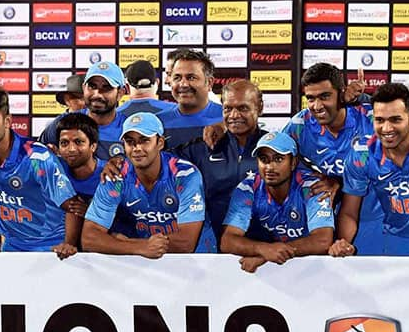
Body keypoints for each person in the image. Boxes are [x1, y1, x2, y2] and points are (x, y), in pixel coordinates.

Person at [82, 112, 217, 257]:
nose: (137, 148)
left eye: (144, 140)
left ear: (160, 143)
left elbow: (186, 242)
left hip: (198, 260)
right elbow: (89, 238)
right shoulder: (115, 175)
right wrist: (140, 247)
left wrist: (128, 244)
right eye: (130, 141)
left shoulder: (184, 174)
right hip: (144, 259)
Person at [282, 63, 384, 255]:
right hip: (325, 224)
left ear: (342, 94)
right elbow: (276, 159)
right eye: (310, 98)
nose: (317, 106)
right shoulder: (299, 126)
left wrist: (338, 181)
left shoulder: (371, 118)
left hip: (377, 221)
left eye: (325, 96)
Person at [0, 87, 79, 258]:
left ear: (7, 121)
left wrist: (69, 245)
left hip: (51, 249)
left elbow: (73, 207)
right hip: (12, 248)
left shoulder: (37, 158)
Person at [332, 83, 409, 257]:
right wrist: (344, 243)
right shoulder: (362, 154)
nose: (387, 129)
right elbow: (349, 212)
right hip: (394, 244)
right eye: (380, 120)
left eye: (396, 119)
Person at [221, 132, 334, 272]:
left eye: (278, 159)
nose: (270, 167)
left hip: (314, 269)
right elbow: (227, 241)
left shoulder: (312, 187)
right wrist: (263, 249)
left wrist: (267, 255)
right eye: (264, 159)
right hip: (278, 272)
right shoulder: (248, 188)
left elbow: (322, 240)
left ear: (293, 163)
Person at [177, 80, 269, 240]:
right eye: (228, 109)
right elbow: (156, 161)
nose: (234, 115)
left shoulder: (275, 148)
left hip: (267, 250)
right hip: (212, 253)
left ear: (259, 107)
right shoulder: (203, 147)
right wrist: (119, 163)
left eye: (243, 108)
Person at [38, 62, 128, 159]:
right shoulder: (65, 122)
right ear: (84, 88)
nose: (97, 94)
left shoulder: (129, 127)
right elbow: (35, 154)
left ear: (120, 93)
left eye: (106, 87)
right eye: (92, 86)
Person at [157, 49, 224, 150]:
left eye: (191, 78)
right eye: (177, 78)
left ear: (209, 83)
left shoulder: (227, 119)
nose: (183, 84)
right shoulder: (158, 122)